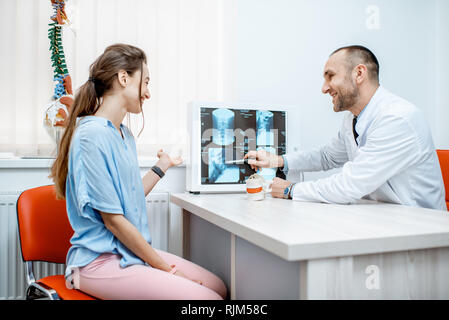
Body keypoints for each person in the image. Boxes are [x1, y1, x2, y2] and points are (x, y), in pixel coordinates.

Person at [50, 44, 227, 299]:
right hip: (95, 263)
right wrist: (167, 270)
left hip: (126, 253)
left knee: (218, 287)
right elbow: (114, 220)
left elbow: (127, 199)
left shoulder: (124, 134)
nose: (148, 93)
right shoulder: (91, 136)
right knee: (207, 299)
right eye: (145, 82)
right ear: (124, 78)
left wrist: (161, 166)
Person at [245, 45, 446, 211]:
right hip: (383, 217)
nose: (324, 88)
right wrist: (276, 160)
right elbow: (327, 156)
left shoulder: (398, 119)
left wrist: (292, 190)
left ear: (359, 73)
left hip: (420, 229)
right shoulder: (353, 118)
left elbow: (349, 185)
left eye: (330, 76)